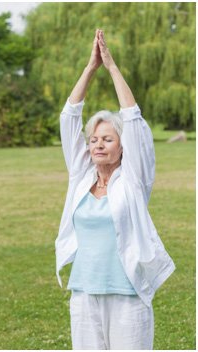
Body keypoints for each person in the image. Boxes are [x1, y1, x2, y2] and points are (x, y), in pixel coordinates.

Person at [55, 29, 175, 350]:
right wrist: (89, 69)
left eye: (107, 139)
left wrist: (111, 67)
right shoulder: (81, 176)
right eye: (93, 140)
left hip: (127, 296)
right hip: (84, 294)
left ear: (123, 147)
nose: (97, 145)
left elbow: (133, 120)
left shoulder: (134, 180)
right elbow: (69, 117)